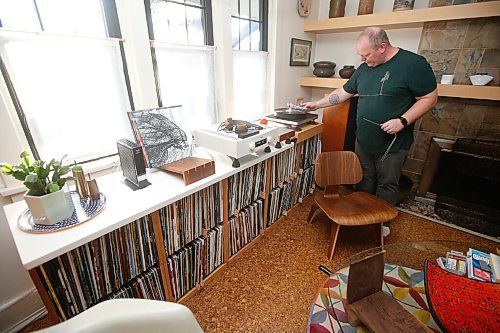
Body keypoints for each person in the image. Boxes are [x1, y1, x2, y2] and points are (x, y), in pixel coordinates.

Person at [302, 27, 438, 234]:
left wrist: (403, 120)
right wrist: (317, 104)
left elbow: (429, 98)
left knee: (387, 184)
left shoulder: (413, 65)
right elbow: (344, 92)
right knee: (365, 178)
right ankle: (361, 216)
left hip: (392, 143)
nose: (363, 59)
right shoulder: (365, 68)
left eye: (366, 55)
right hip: (364, 139)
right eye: (361, 55)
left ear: (382, 47)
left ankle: (381, 224)